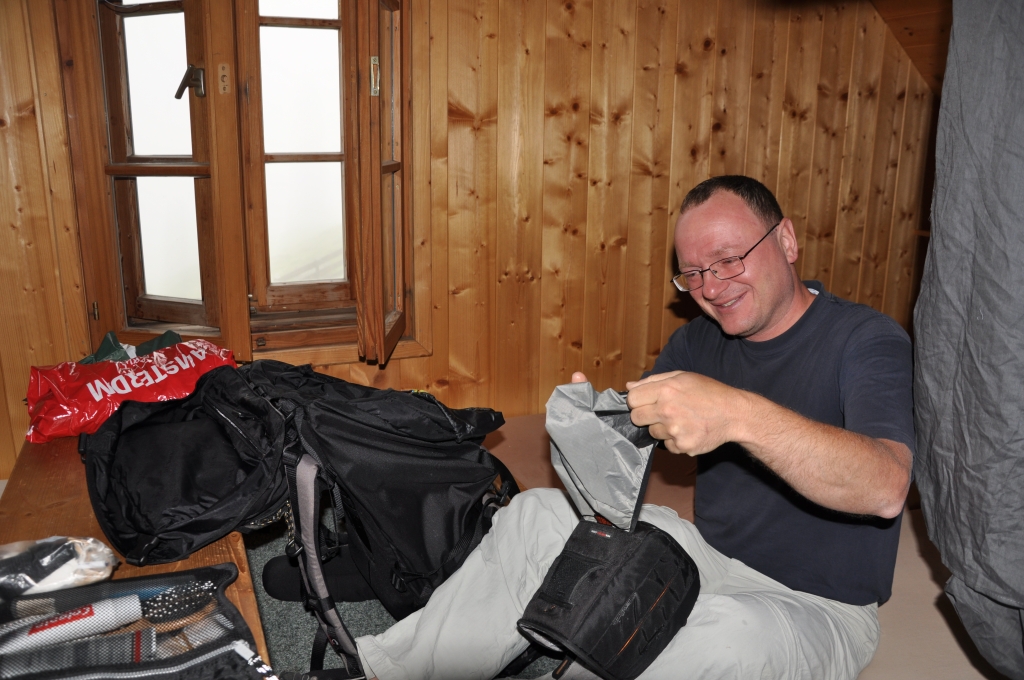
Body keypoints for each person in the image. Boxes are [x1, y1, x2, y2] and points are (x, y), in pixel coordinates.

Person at [353, 176, 915, 680]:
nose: (712, 288)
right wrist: (590, 426)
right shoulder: (698, 342)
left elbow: (887, 488)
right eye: (692, 273)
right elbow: (627, 445)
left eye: (728, 259)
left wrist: (735, 413)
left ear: (786, 241)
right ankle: (388, 672)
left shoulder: (866, 340)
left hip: (820, 606)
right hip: (704, 559)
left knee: (730, 636)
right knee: (534, 514)